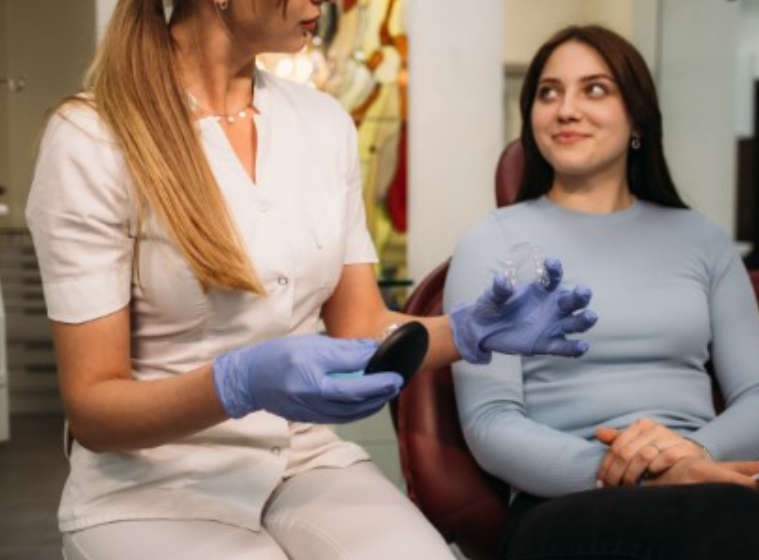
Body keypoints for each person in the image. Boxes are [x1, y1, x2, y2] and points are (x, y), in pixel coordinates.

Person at [24, 2, 597, 559]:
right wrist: (235, 383)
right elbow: (93, 410)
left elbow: (363, 326)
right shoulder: (92, 138)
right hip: (151, 482)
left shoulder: (323, 124)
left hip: (301, 458)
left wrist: (469, 333)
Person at [445, 24, 759, 560]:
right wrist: (639, 474)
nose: (565, 108)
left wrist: (694, 456)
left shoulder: (699, 238)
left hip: (706, 478)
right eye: (548, 92)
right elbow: (490, 422)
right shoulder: (491, 242)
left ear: (637, 118)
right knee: (736, 526)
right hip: (564, 502)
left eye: (595, 89)